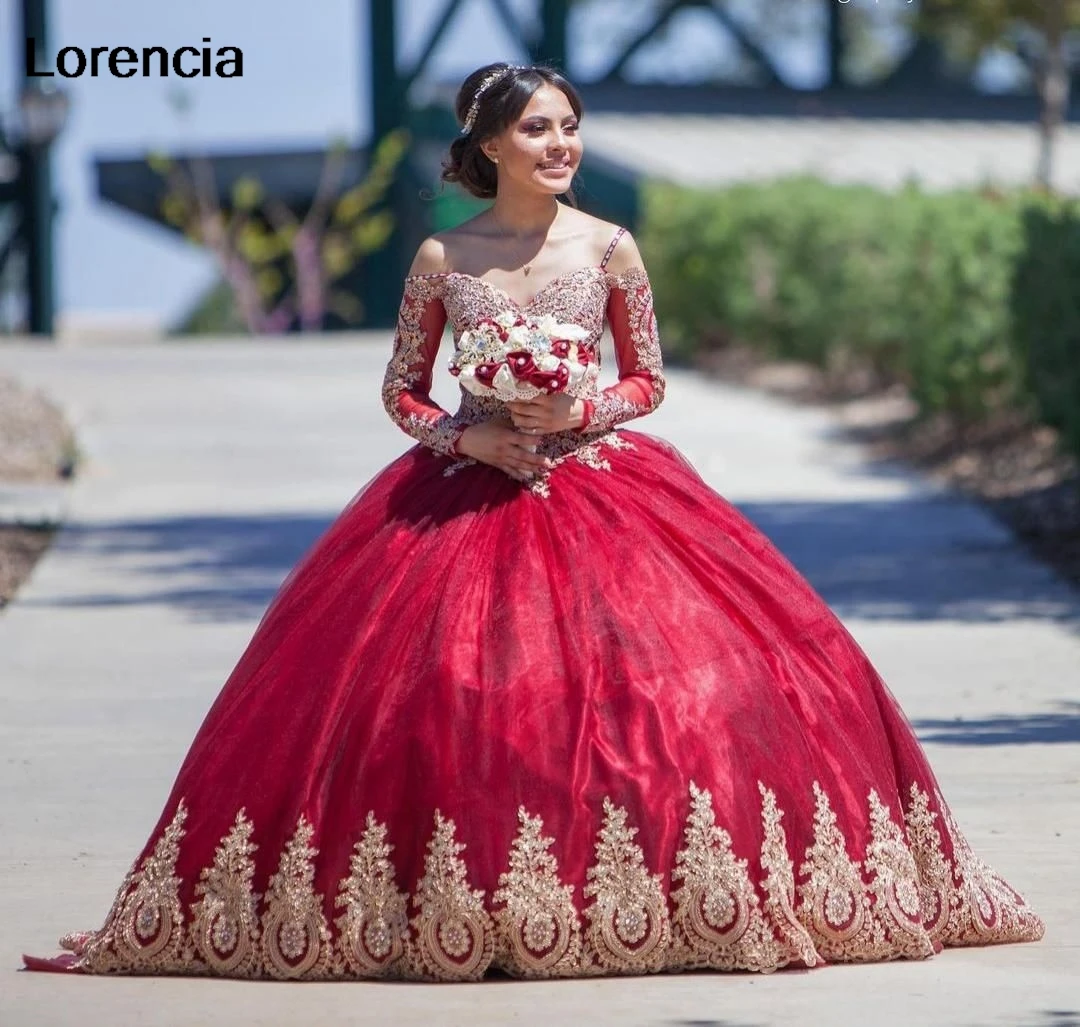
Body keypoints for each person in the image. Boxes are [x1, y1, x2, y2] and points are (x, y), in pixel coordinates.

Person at [24, 61, 1042, 983]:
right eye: (539, 130)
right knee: (451, 696)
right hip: (463, 490)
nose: (562, 145)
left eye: (571, 127)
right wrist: (468, 443)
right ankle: (450, 905)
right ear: (491, 147)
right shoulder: (443, 254)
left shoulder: (609, 245)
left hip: (600, 483)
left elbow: (646, 380)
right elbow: (403, 394)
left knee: (659, 700)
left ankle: (659, 896)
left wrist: (580, 409)